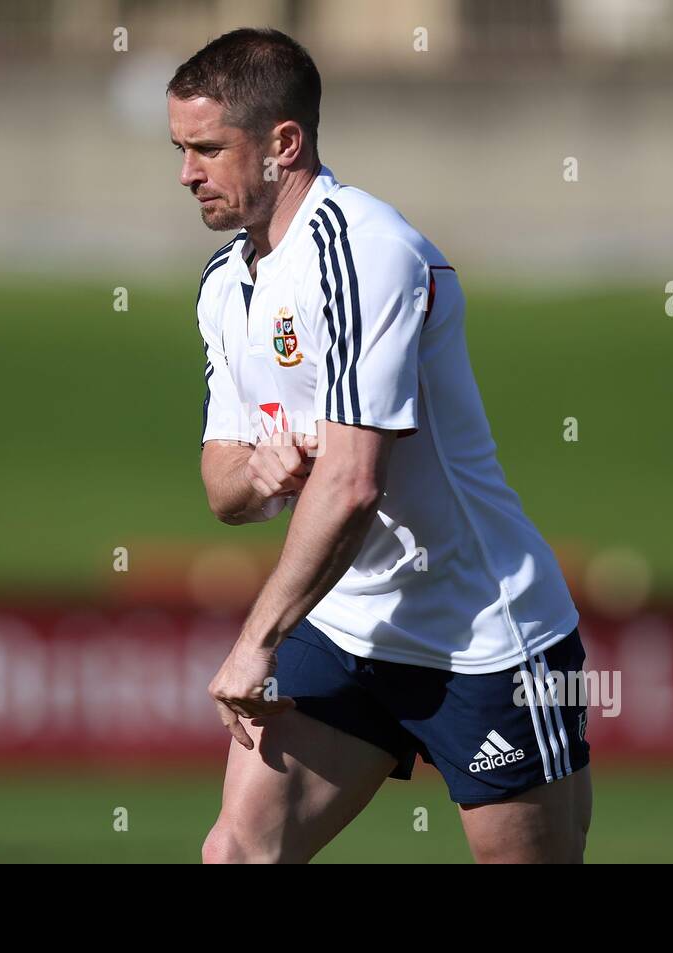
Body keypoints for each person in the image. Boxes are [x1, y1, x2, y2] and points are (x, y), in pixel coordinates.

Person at [167, 28, 592, 863]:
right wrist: (258, 473)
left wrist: (256, 640)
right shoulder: (226, 283)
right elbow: (223, 488)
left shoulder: (366, 252)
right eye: (180, 149)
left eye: (208, 148)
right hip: (346, 621)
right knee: (237, 854)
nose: (186, 173)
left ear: (284, 143)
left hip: (481, 631)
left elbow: (354, 482)